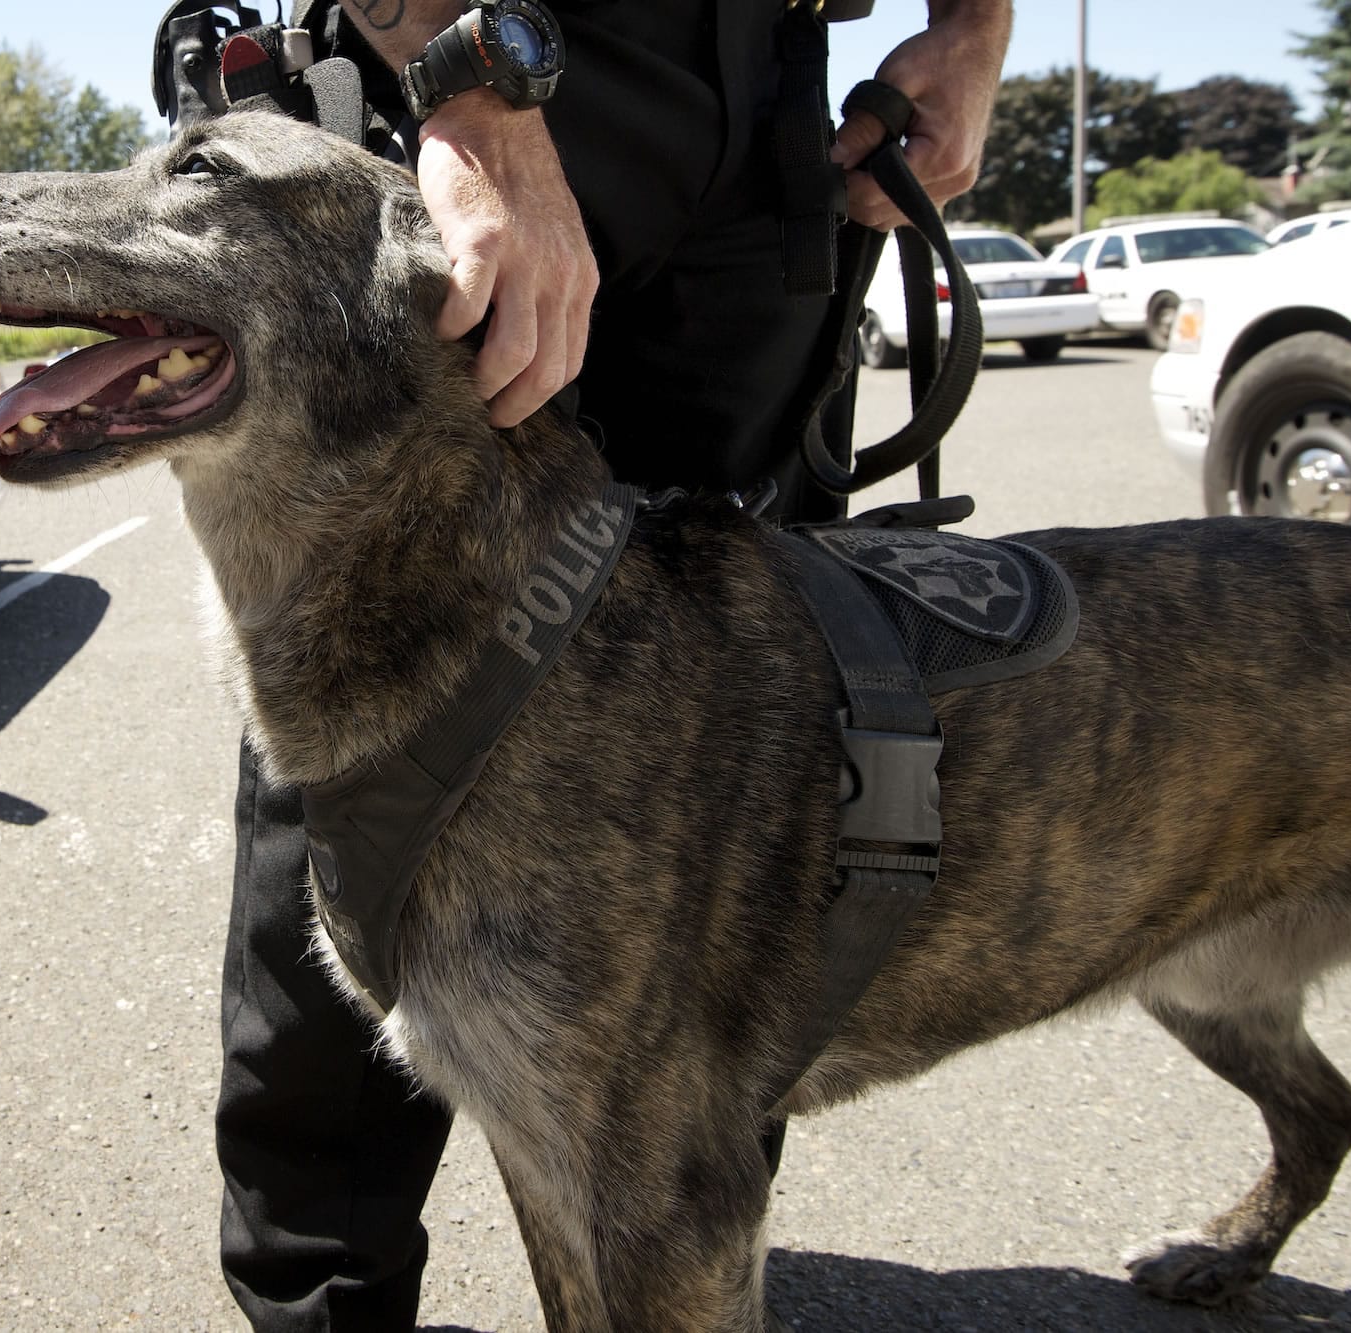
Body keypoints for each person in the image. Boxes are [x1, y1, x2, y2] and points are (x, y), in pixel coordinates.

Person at [214, 2, 1013, 1327]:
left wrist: (973, 31)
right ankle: (324, 1300)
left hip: (768, 91)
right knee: (376, 705)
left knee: (738, 738)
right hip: (479, 47)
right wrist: (468, 84)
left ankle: (671, 1267)